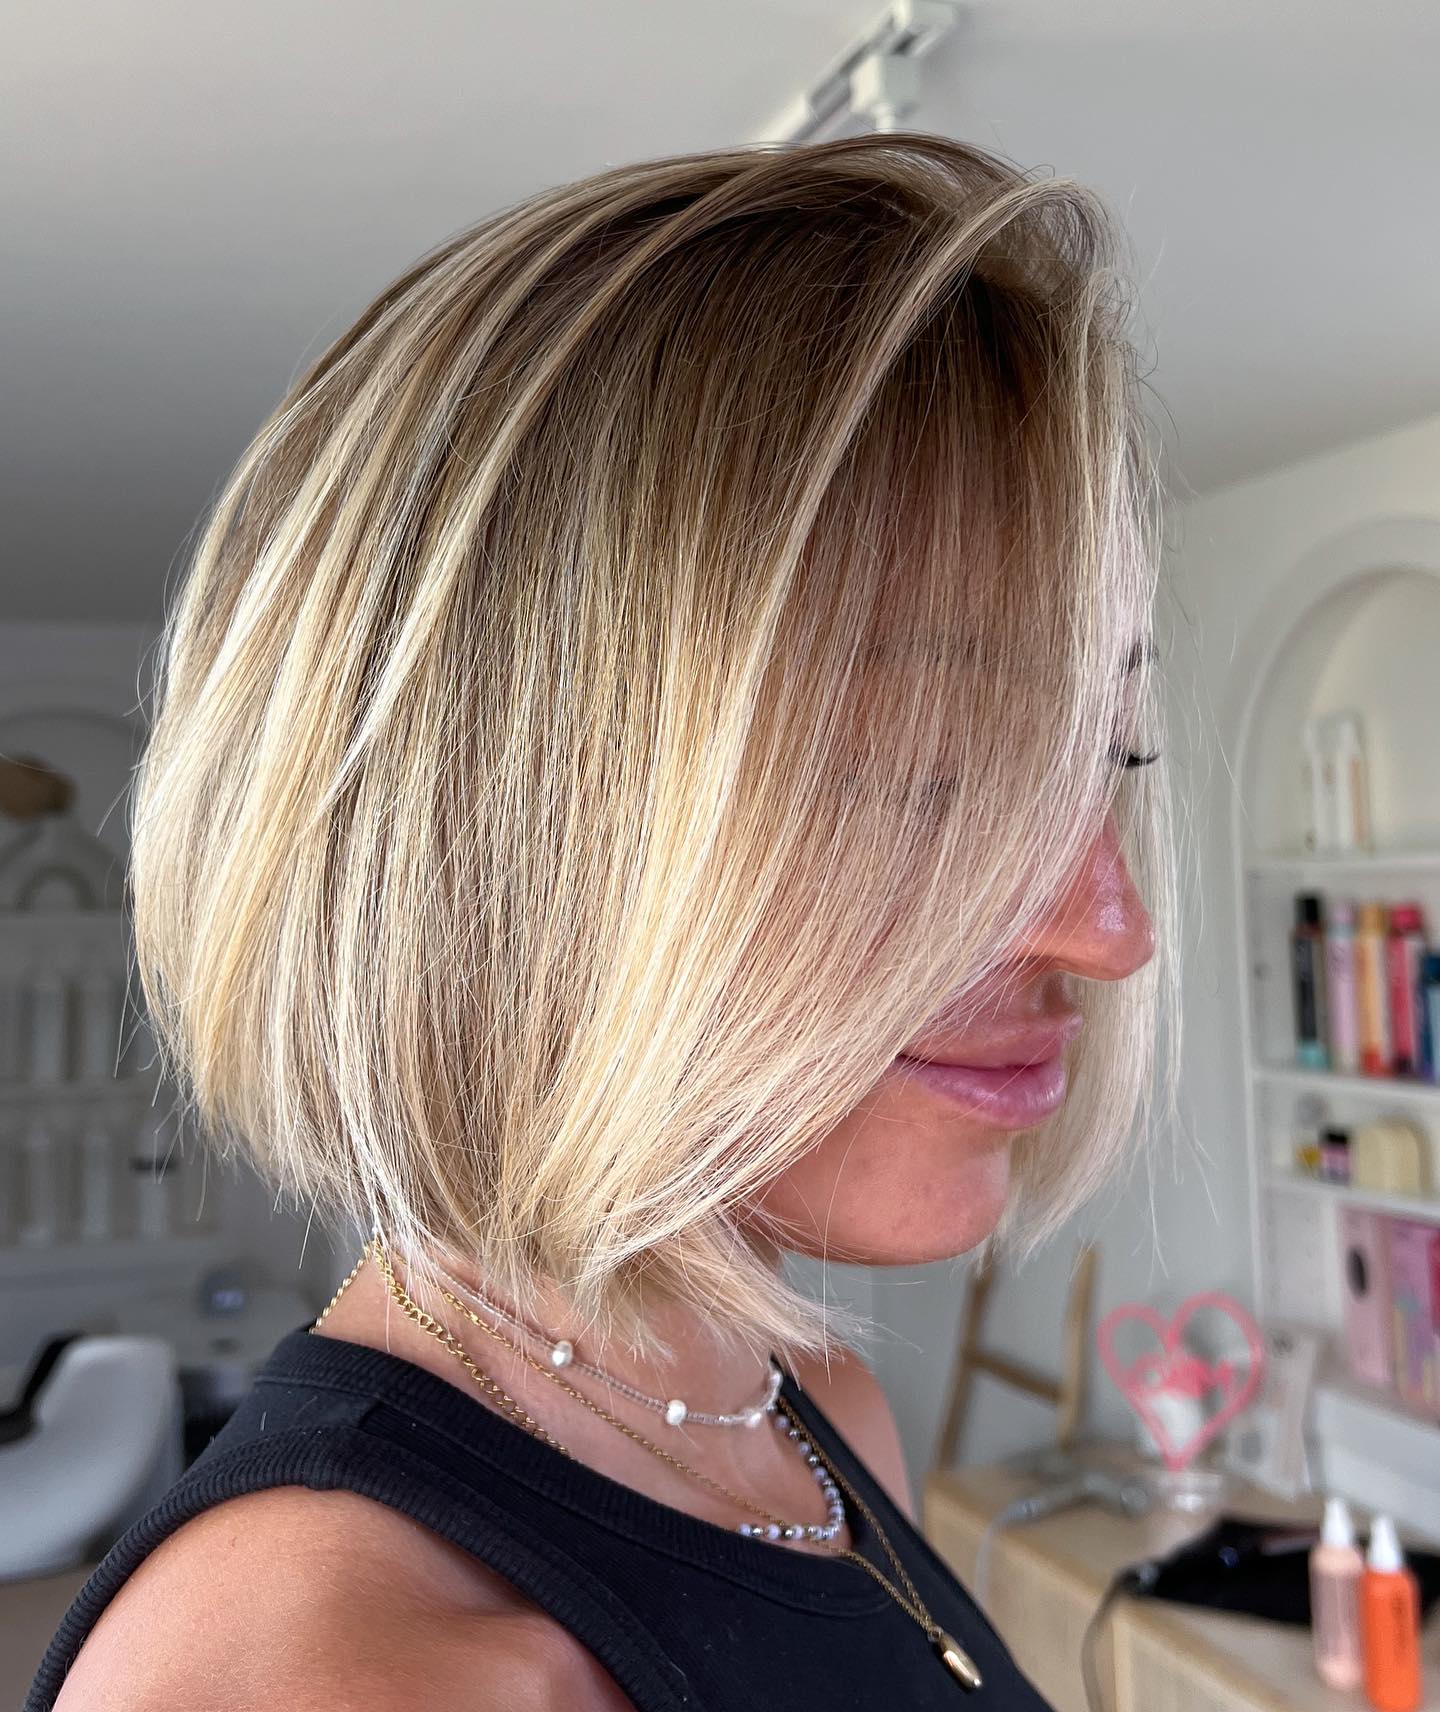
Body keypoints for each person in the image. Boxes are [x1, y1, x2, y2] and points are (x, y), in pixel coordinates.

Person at [29, 129, 1172, 1711]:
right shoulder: (341, 1677)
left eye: (1106, 757)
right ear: (500, 836)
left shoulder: (815, 1420)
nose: (1112, 930)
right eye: (928, 779)